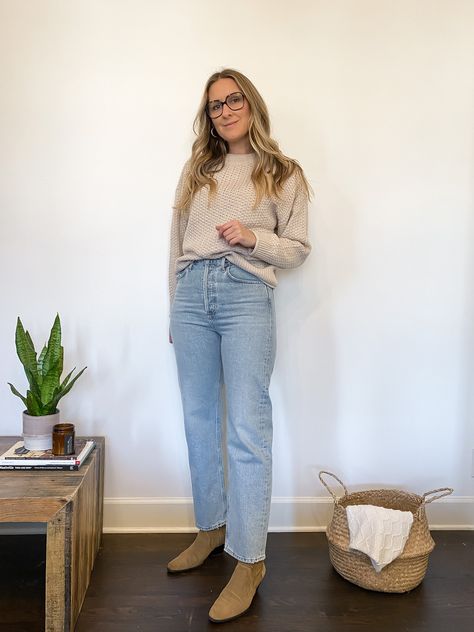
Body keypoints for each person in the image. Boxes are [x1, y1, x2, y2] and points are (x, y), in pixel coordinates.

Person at [167, 68, 311, 623]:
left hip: (245, 292)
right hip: (192, 295)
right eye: (213, 106)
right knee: (199, 419)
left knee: (247, 428)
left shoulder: (283, 172)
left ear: (251, 103)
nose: (224, 112)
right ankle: (212, 528)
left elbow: (298, 248)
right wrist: (175, 305)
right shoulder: (195, 170)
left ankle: (250, 560)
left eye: (232, 101)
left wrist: (255, 238)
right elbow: (175, 244)